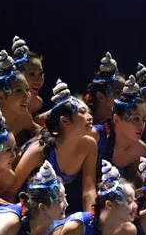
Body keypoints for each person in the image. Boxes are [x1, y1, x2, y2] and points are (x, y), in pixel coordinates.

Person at [8, 79, 97, 213]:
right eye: (83, 112)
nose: (89, 117)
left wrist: (90, 220)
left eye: (89, 112)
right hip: (29, 210)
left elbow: (88, 190)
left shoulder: (90, 145)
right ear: (65, 121)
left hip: (55, 210)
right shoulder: (39, 151)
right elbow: (10, 191)